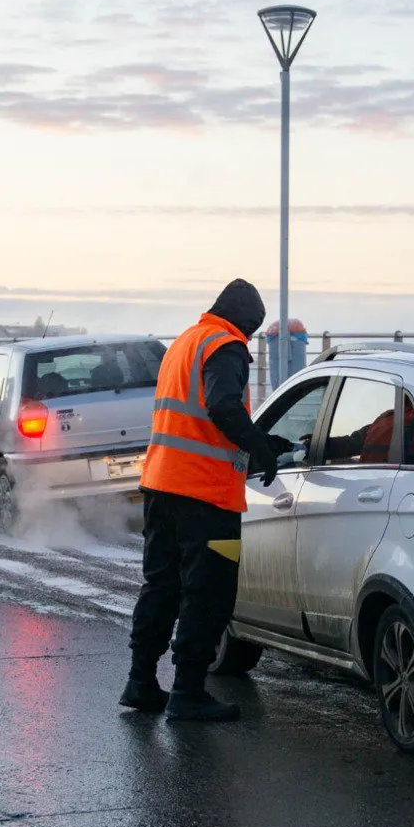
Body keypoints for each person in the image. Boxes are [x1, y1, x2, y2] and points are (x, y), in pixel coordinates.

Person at [121, 279, 293, 722]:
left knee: (161, 586)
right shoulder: (226, 345)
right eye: (251, 332)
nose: (248, 341)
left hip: (161, 485)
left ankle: (140, 681)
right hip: (206, 497)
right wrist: (258, 446)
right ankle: (188, 691)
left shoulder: (185, 342)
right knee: (208, 593)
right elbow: (222, 406)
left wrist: (258, 440)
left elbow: (199, 416)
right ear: (245, 324)